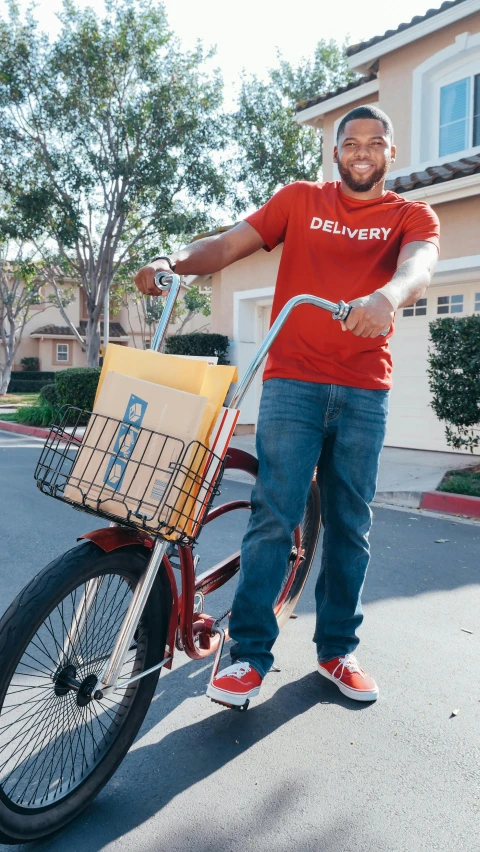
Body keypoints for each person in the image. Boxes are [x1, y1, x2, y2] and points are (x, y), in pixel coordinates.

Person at [135, 105, 439, 707]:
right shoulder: (301, 200)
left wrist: (388, 295)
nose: (361, 151)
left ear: (391, 153)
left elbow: (419, 266)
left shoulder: (411, 214)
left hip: (363, 391)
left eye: (374, 142)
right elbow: (226, 245)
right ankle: (247, 657)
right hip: (293, 383)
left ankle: (336, 652)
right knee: (274, 517)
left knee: (351, 525)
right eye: (350, 142)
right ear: (335, 152)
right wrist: (172, 261)